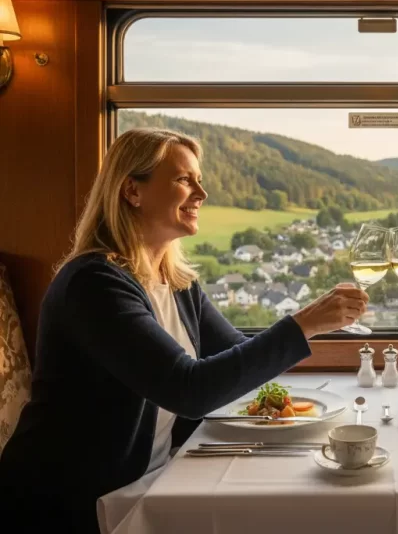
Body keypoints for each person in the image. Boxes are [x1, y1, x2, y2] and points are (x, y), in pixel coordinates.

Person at [0, 127, 368, 534]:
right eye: (183, 179)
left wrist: (309, 336)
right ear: (132, 191)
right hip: (72, 503)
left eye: (199, 179)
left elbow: (236, 358)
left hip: (151, 476)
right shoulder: (94, 284)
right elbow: (189, 389)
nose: (201, 194)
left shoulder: (176, 281)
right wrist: (306, 322)